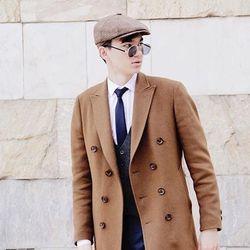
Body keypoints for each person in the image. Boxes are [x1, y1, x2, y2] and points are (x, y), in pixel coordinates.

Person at [71, 13, 222, 250]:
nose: (138, 53)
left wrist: (210, 227)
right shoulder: (85, 103)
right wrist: (83, 237)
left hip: (165, 229)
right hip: (113, 232)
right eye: (128, 47)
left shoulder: (171, 93)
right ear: (104, 52)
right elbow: (82, 178)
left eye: (141, 45)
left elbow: (201, 167)